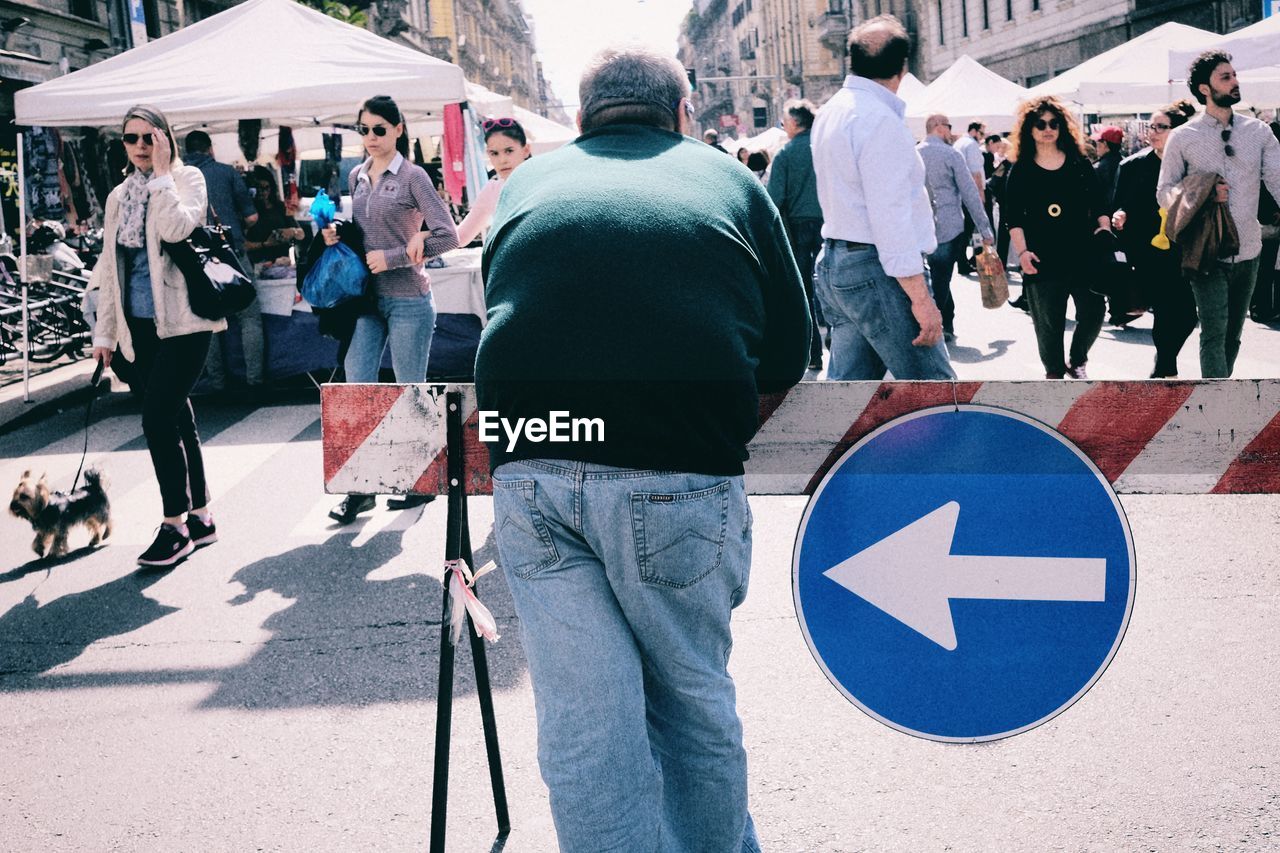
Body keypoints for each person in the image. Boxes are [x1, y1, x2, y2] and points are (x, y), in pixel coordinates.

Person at [476, 45, 810, 852]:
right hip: (677, 466)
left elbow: (504, 301)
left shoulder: (526, 182)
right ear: (683, 115)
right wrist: (702, 424)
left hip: (532, 461)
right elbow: (790, 348)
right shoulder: (727, 178)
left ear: (583, 120)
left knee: (584, 718)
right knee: (690, 701)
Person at [89, 105, 222, 567]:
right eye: (132, 139)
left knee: (156, 417)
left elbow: (175, 228)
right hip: (139, 328)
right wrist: (104, 333)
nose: (141, 147)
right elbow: (110, 270)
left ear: (166, 138)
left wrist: (163, 176)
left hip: (185, 323)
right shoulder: (117, 196)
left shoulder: (188, 181)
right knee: (178, 419)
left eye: (150, 137)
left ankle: (174, 525)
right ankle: (202, 517)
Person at [326, 95, 460, 523]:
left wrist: (398, 255)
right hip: (368, 300)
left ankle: (420, 482)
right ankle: (363, 488)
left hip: (408, 300)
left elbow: (448, 237)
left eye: (379, 129)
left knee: (409, 392)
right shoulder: (356, 177)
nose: (370, 137)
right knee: (357, 387)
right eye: (363, 129)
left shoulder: (413, 177)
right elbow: (365, 234)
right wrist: (338, 237)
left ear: (399, 130)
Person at [810, 14, 953, 381]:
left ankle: (825, 443)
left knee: (848, 400)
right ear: (902, 68)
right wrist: (922, 299)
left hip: (837, 261)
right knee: (937, 393)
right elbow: (891, 217)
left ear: (853, 60)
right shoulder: (879, 121)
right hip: (875, 267)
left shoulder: (831, 112)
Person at [1158, 50, 1280, 378]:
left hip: (1249, 249)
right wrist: (1201, 192)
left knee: (1233, 335)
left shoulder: (1259, 132)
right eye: (1225, 77)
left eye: (1234, 74)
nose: (1235, 81)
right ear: (1204, 89)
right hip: (1206, 250)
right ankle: (1216, 406)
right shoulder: (1183, 137)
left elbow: (1278, 179)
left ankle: (1219, 394)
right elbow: (1164, 191)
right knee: (1213, 331)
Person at [1004, 96, 1113, 380]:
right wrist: (1023, 252)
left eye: (1054, 123)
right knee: (1049, 326)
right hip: (1042, 257)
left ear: (1062, 127)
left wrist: (1104, 226)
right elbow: (1013, 217)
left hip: (1083, 254)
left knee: (1093, 312)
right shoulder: (1022, 169)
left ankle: (1077, 359)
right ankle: (1054, 375)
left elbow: (1100, 202)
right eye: (1040, 124)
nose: (1047, 129)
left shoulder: (1079, 163)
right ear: (1030, 129)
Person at [1113, 101, 1198, 377]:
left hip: (1185, 248)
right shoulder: (1133, 166)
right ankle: (1165, 367)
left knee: (1188, 316)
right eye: (1152, 126)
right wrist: (1120, 214)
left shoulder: (1191, 166)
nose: (1154, 132)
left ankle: (1164, 361)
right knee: (1164, 309)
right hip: (1149, 250)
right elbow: (1119, 203)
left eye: (1161, 127)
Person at [183, 130, 264, 390]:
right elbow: (252, 217)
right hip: (231, 252)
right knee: (249, 317)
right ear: (210, 149)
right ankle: (255, 381)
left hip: (194, 257)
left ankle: (217, 383)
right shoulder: (227, 172)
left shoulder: (176, 177)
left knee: (208, 321)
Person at [918, 113, 995, 341]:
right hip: (948, 224)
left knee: (931, 277)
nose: (951, 132)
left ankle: (946, 322)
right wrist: (985, 229)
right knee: (941, 279)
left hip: (920, 226)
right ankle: (938, 327)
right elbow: (970, 193)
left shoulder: (912, 154)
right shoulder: (951, 154)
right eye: (949, 127)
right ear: (939, 127)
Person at [768, 98, 826, 370]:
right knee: (834, 287)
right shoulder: (827, 147)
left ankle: (814, 354)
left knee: (805, 291)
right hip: (833, 224)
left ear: (793, 123)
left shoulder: (786, 153)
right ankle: (837, 344)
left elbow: (773, 199)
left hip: (799, 230)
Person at [453, 117, 533, 248]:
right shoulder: (493, 190)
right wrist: (424, 236)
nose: (502, 160)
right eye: (494, 153)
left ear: (526, 150)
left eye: (509, 151)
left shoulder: (543, 181)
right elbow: (460, 237)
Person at [243, 165, 304, 265]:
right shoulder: (247, 210)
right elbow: (242, 245)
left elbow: (301, 234)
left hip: (282, 263)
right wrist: (265, 244)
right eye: (258, 188)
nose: (262, 192)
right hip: (258, 264)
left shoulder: (280, 207)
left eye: (265, 188)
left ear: (271, 188)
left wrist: (291, 231)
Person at [953, 121, 986, 274]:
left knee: (965, 231)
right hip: (971, 193)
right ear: (974, 131)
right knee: (976, 228)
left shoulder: (959, 143)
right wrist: (980, 194)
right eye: (982, 133)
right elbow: (976, 172)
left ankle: (962, 261)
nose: (982, 137)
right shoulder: (971, 144)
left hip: (960, 192)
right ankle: (974, 260)